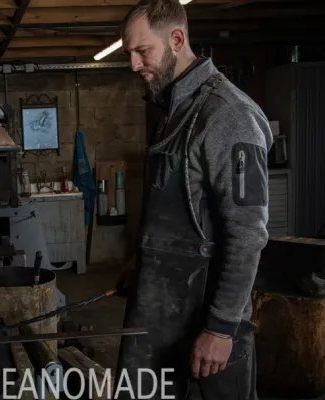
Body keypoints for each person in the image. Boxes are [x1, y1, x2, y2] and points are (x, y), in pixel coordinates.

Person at [113, 0, 273, 399]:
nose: (133, 64)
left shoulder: (227, 115)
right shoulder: (173, 108)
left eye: (141, 51)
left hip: (201, 327)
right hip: (158, 309)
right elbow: (175, 211)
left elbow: (247, 233)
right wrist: (144, 261)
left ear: (177, 39)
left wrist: (221, 328)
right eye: (128, 53)